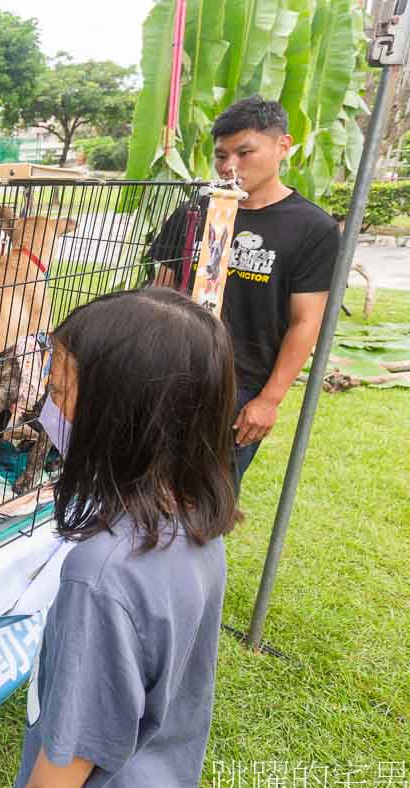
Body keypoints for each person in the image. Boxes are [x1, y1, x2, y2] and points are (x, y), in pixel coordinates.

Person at [9, 288, 237, 788]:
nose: (50, 407)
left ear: (120, 414)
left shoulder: (101, 575)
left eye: (61, 390)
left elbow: (53, 784)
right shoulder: (195, 515)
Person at [150, 96, 340, 493]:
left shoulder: (312, 228)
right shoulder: (194, 212)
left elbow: (307, 321)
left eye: (244, 152)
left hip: (240, 387)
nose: (229, 166)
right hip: (174, 368)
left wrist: (269, 400)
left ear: (282, 146)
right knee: (149, 481)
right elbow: (160, 291)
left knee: (207, 496)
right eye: (221, 155)